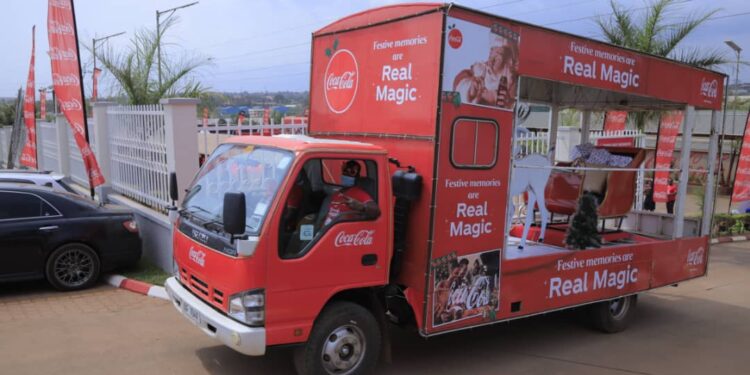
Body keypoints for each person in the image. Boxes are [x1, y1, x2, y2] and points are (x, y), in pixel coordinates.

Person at [322, 160, 379, 226]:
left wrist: (362, 207)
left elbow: (376, 211)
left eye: (352, 172)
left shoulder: (359, 193)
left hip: (340, 232)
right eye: (345, 171)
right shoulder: (336, 194)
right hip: (327, 230)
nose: (346, 175)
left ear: (357, 176)